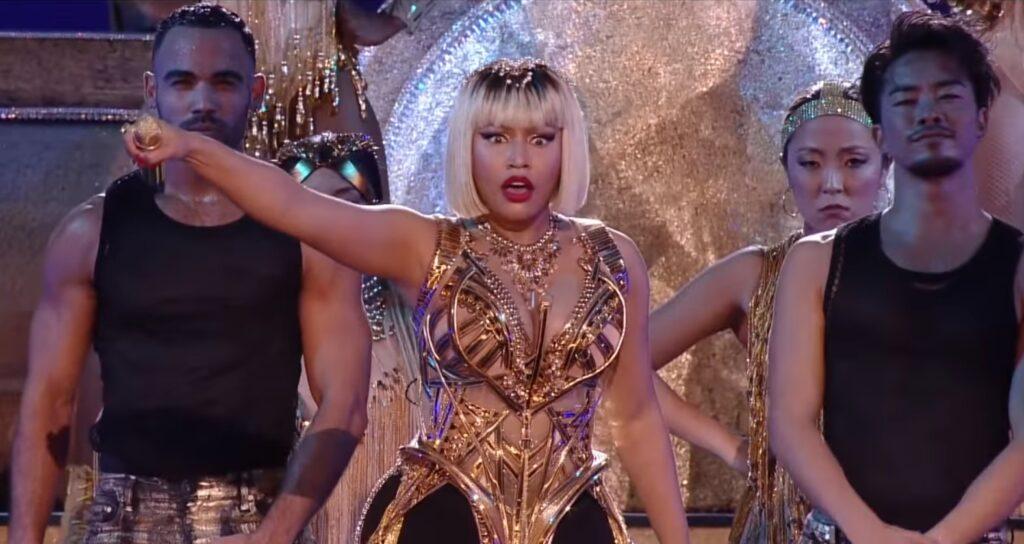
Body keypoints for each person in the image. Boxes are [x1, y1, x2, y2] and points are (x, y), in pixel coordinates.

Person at [123, 57, 690, 544]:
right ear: (466, 145)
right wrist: (192, 147)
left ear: (568, 147)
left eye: (541, 139)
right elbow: (295, 207)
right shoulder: (425, 245)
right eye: (495, 138)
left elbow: (638, 417)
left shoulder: (613, 258)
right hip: (443, 518)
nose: (519, 159)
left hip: (574, 521)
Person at [10, 5, 371, 543]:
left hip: (259, 514)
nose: (203, 102)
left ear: (256, 92)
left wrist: (273, 535)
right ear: (152, 91)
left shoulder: (309, 234)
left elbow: (346, 403)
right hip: (123, 518)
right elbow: (47, 405)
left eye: (224, 82)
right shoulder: (90, 232)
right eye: (183, 82)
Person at [769, 11, 1024, 544]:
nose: (928, 112)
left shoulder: (1018, 264)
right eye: (907, 99)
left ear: (982, 117)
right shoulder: (816, 262)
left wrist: (943, 540)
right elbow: (790, 423)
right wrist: (870, 533)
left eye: (948, 95)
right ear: (881, 133)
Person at [649, 81, 890, 544]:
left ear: (886, 165)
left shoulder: (921, 270)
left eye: (854, 162)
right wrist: (731, 447)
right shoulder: (755, 274)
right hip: (780, 525)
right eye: (810, 163)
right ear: (786, 168)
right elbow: (619, 361)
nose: (832, 183)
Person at [277, 132, 421, 544]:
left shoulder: (419, 330)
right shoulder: (264, 336)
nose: (329, 226)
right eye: (308, 207)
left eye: (345, 206)